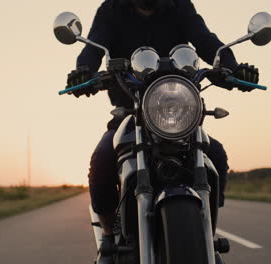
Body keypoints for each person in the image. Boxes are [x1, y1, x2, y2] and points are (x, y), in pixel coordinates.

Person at [66, 0, 259, 263]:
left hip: (178, 110)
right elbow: (94, 45)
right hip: (131, 111)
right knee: (102, 161)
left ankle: (204, 233)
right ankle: (109, 241)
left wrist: (233, 68)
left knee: (216, 153)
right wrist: (83, 72)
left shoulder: (179, 6)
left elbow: (205, 39)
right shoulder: (111, 10)